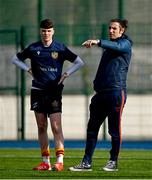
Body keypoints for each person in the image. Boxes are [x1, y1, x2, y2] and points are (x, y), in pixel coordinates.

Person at [11, 19, 84, 171]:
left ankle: (60, 161)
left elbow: (79, 62)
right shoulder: (33, 48)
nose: (46, 33)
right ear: (40, 31)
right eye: (44, 31)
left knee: (56, 126)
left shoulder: (60, 48)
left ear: (53, 32)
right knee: (41, 126)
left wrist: (66, 73)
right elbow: (15, 59)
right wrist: (27, 69)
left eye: (49, 31)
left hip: (54, 92)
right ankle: (45, 162)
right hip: (37, 91)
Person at [69, 18, 133, 172]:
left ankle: (113, 161)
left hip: (116, 93)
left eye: (114, 29)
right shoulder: (109, 47)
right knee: (92, 128)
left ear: (122, 30)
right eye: (110, 28)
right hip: (101, 94)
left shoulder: (125, 44)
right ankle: (86, 162)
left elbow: (117, 45)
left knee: (114, 130)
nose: (111, 31)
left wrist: (98, 41)